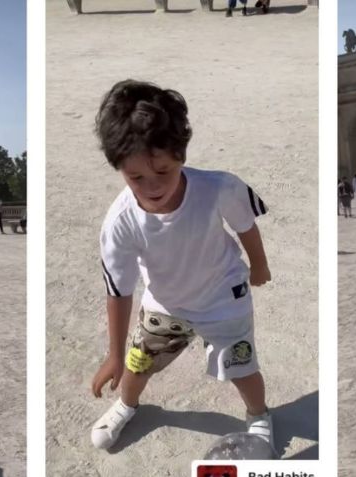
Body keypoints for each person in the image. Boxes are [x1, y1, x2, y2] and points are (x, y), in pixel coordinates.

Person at [89, 79, 274, 452]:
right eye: (136, 177)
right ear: (119, 168)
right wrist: (114, 354)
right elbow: (119, 291)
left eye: (163, 171)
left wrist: (259, 265)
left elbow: (245, 225)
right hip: (166, 303)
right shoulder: (120, 221)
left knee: (242, 367)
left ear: (181, 155)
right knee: (138, 363)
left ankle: (259, 415)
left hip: (223, 299)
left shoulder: (218, 188)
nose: (152, 186)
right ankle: (126, 404)